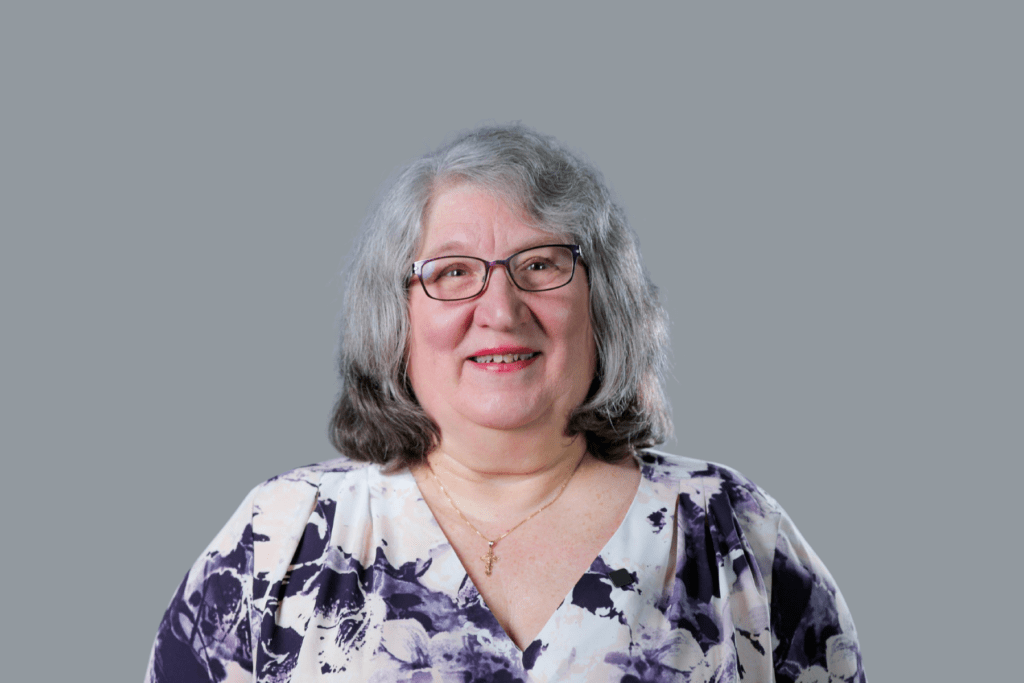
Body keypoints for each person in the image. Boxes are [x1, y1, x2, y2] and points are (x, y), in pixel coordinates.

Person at [146, 124, 866, 682]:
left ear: (603, 302)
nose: (500, 307)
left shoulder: (731, 531)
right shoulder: (281, 536)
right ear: (396, 317)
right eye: (453, 271)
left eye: (541, 265)